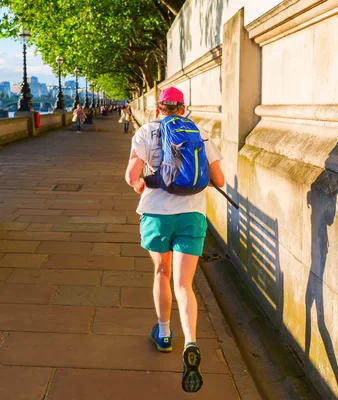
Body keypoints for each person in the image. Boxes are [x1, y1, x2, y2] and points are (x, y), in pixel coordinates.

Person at [124, 87, 225, 393]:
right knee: (184, 284)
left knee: (162, 273)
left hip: (156, 214)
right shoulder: (200, 132)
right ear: (183, 108)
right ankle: (191, 341)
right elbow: (219, 180)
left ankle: (164, 333)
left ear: (158, 107)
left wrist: (143, 185)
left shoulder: (145, 132)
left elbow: (131, 175)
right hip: (191, 215)